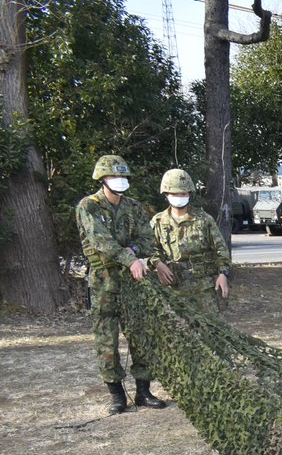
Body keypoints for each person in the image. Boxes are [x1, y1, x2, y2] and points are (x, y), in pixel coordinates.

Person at [76, 155, 171, 415]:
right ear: (102, 179)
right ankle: (116, 395)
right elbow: (101, 241)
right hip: (105, 282)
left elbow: (147, 239)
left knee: (140, 335)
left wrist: (135, 250)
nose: (119, 181)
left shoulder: (133, 206)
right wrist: (130, 258)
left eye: (123, 177)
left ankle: (143, 391)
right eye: (113, 177)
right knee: (106, 339)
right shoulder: (89, 206)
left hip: (133, 280)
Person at [151, 168, 232, 314]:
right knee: (178, 332)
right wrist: (158, 263)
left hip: (202, 288)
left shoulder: (204, 219)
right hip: (172, 289)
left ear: (189, 193)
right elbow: (150, 248)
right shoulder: (158, 222)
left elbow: (221, 250)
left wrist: (223, 274)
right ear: (166, 194)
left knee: (210, 330)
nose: (179, 196)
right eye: (174, 193)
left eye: (183, 193)